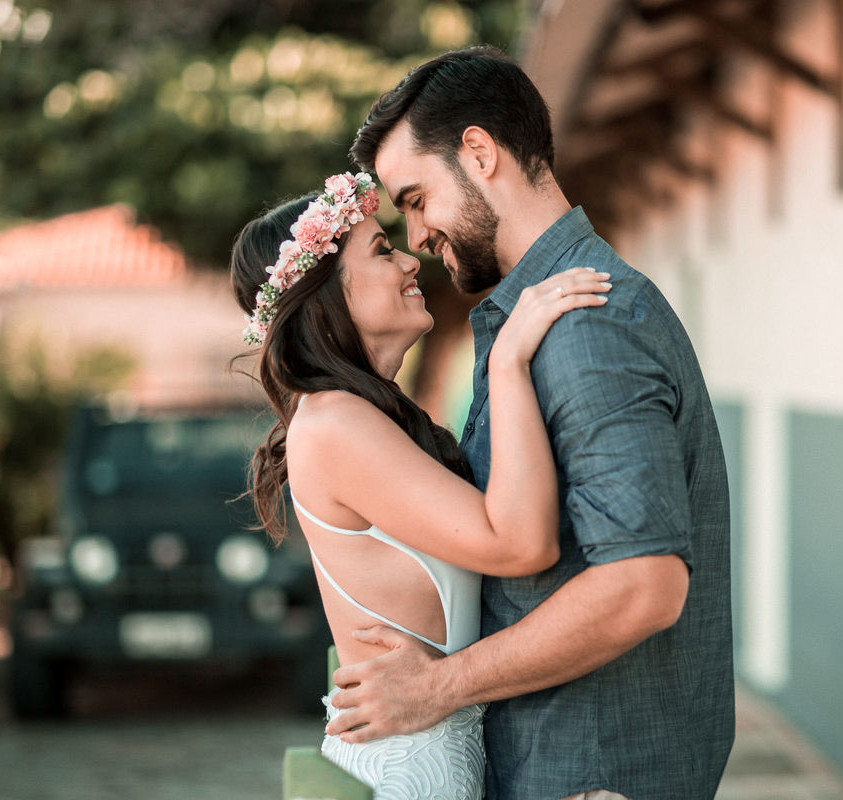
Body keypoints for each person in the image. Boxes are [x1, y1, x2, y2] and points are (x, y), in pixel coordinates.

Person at [328, 46, 735, 800]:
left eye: (416, 199)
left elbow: (644, 584)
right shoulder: (541, 320)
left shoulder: (587, 328)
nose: (416, 235)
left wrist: (439, 686)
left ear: (479, 154)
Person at [230, 170, 612, 799]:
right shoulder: (334, 425)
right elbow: (521, 544)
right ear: (325, 296)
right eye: (381, 251)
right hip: (405, 774)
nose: (410, 259)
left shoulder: (362, 417)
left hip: (432, 761)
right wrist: (508, 362)